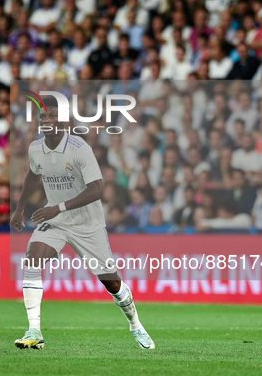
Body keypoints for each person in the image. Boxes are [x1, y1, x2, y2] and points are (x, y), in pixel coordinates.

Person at [10, 96, 154, 350]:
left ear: (64, 119)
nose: (47, 121)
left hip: (87, 223)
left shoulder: (79, 148)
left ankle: (136, 324)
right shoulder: (36, 148)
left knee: (112, 283)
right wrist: (19, 209)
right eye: (43, 117)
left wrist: (59, 207)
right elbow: (34, 175)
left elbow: (97, 189)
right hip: (55, 220)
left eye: (52, 115)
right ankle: (34, 330)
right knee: (33, 258)